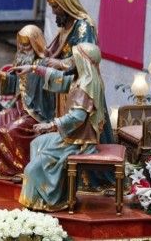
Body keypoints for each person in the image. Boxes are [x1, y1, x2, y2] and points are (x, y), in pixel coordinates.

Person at [16, 43, 107, 212]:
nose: (71, 61)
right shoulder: (80, 78)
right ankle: (56, 191)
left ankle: (48, 201)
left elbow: (77, 117)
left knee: (32, 169)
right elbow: (58, 77)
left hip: (79, 143)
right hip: (71, 138)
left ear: (82, 61)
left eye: (75, 58)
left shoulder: (86, 86)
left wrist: (50, 125)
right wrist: (33, 68)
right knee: (37, 143)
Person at [45, 0, 115, 151]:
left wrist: (59, 63)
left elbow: (86, 56)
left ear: (66, 5)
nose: (53, 11)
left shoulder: (83, 26)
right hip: (66, 84)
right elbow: (55, 50)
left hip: (83, 86)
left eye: (56, 7)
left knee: (81, 128)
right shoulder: (64, 23)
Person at [0, 25, 55, 182]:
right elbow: (14, 82)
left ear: (35, 43)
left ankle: (21, 170)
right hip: (19, 108)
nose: (23, 48)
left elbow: (53, 90)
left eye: (27, 45)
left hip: (37, 112)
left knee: (13, 130)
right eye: (21, 44)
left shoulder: (44, 64)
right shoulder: (20, 58)